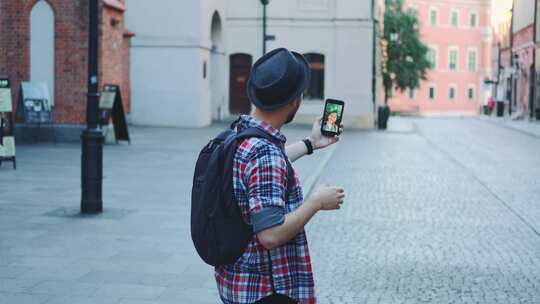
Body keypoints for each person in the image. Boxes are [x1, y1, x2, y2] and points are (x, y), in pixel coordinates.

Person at [214, 48, 345, 304]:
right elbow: (270, 234)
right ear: (293, 101)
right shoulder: (265, 154)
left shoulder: (239, 133)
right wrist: (316, 202)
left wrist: (311, 143)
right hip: (266, 292)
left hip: (236, 284)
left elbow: (263, 165)